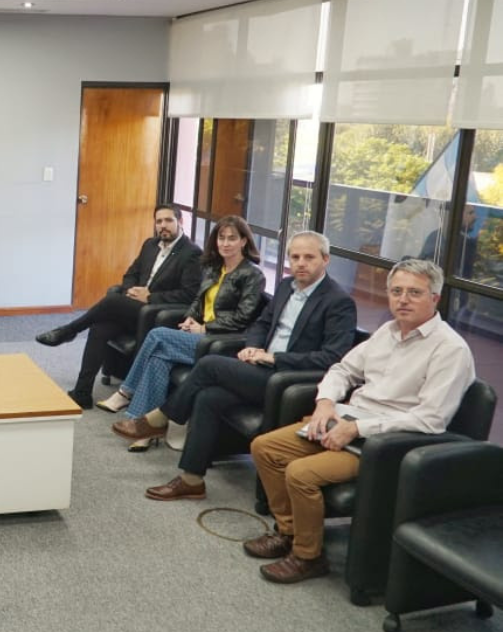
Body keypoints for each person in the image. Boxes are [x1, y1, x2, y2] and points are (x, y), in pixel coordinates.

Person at [243, 259, 474, 584]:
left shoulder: (450, 349)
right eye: (396, 291)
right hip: (348, 420)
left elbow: (430, 419)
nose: (403, 299)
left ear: (435, 298)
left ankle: (308, 556)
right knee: (264, 448)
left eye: (414, 293)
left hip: (386, 443)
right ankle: (289, 532)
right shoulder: (387, 332)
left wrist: (357, 428)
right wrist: (325, 403)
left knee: (300, 473)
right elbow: (343, 370)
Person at [138, 231, 358, 500]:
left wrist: (275, 358)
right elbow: (261, 324)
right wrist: (253, 347)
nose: (300, 263)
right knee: (208, 397)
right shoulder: (286, 286)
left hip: (288, 380)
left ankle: (162, 417)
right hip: (262, 369)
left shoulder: (339, 302)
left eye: (309, 257)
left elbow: (332, 357)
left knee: (209, 365)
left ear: (325, 259)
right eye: (295, 257)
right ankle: (192, 479)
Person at [107, 215, 266, 451]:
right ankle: (144, 429)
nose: (225, 243)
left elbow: (243, 317)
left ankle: (126, 392)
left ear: (244, 241)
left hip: (220, 341)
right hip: (198, 334)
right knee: (159, 358)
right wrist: (191, 317)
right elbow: (197, 301)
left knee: (158, 335)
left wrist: (205, 327)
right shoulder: (214, 268)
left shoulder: (252, 275)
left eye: (232, 238)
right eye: (221, 238)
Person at [35, 203, 203, 409]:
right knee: (100, 327)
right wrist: (131, 291)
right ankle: (82, 393)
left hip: (156, 315)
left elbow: (189, 295)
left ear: (180, 221)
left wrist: (150, 297)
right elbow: (131, 274)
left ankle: (69, 331)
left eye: (168, 220)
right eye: (159, 221)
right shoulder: (150, 245)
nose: (163, 226)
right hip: (133, 308)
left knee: (111, 300)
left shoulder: (192, 253)